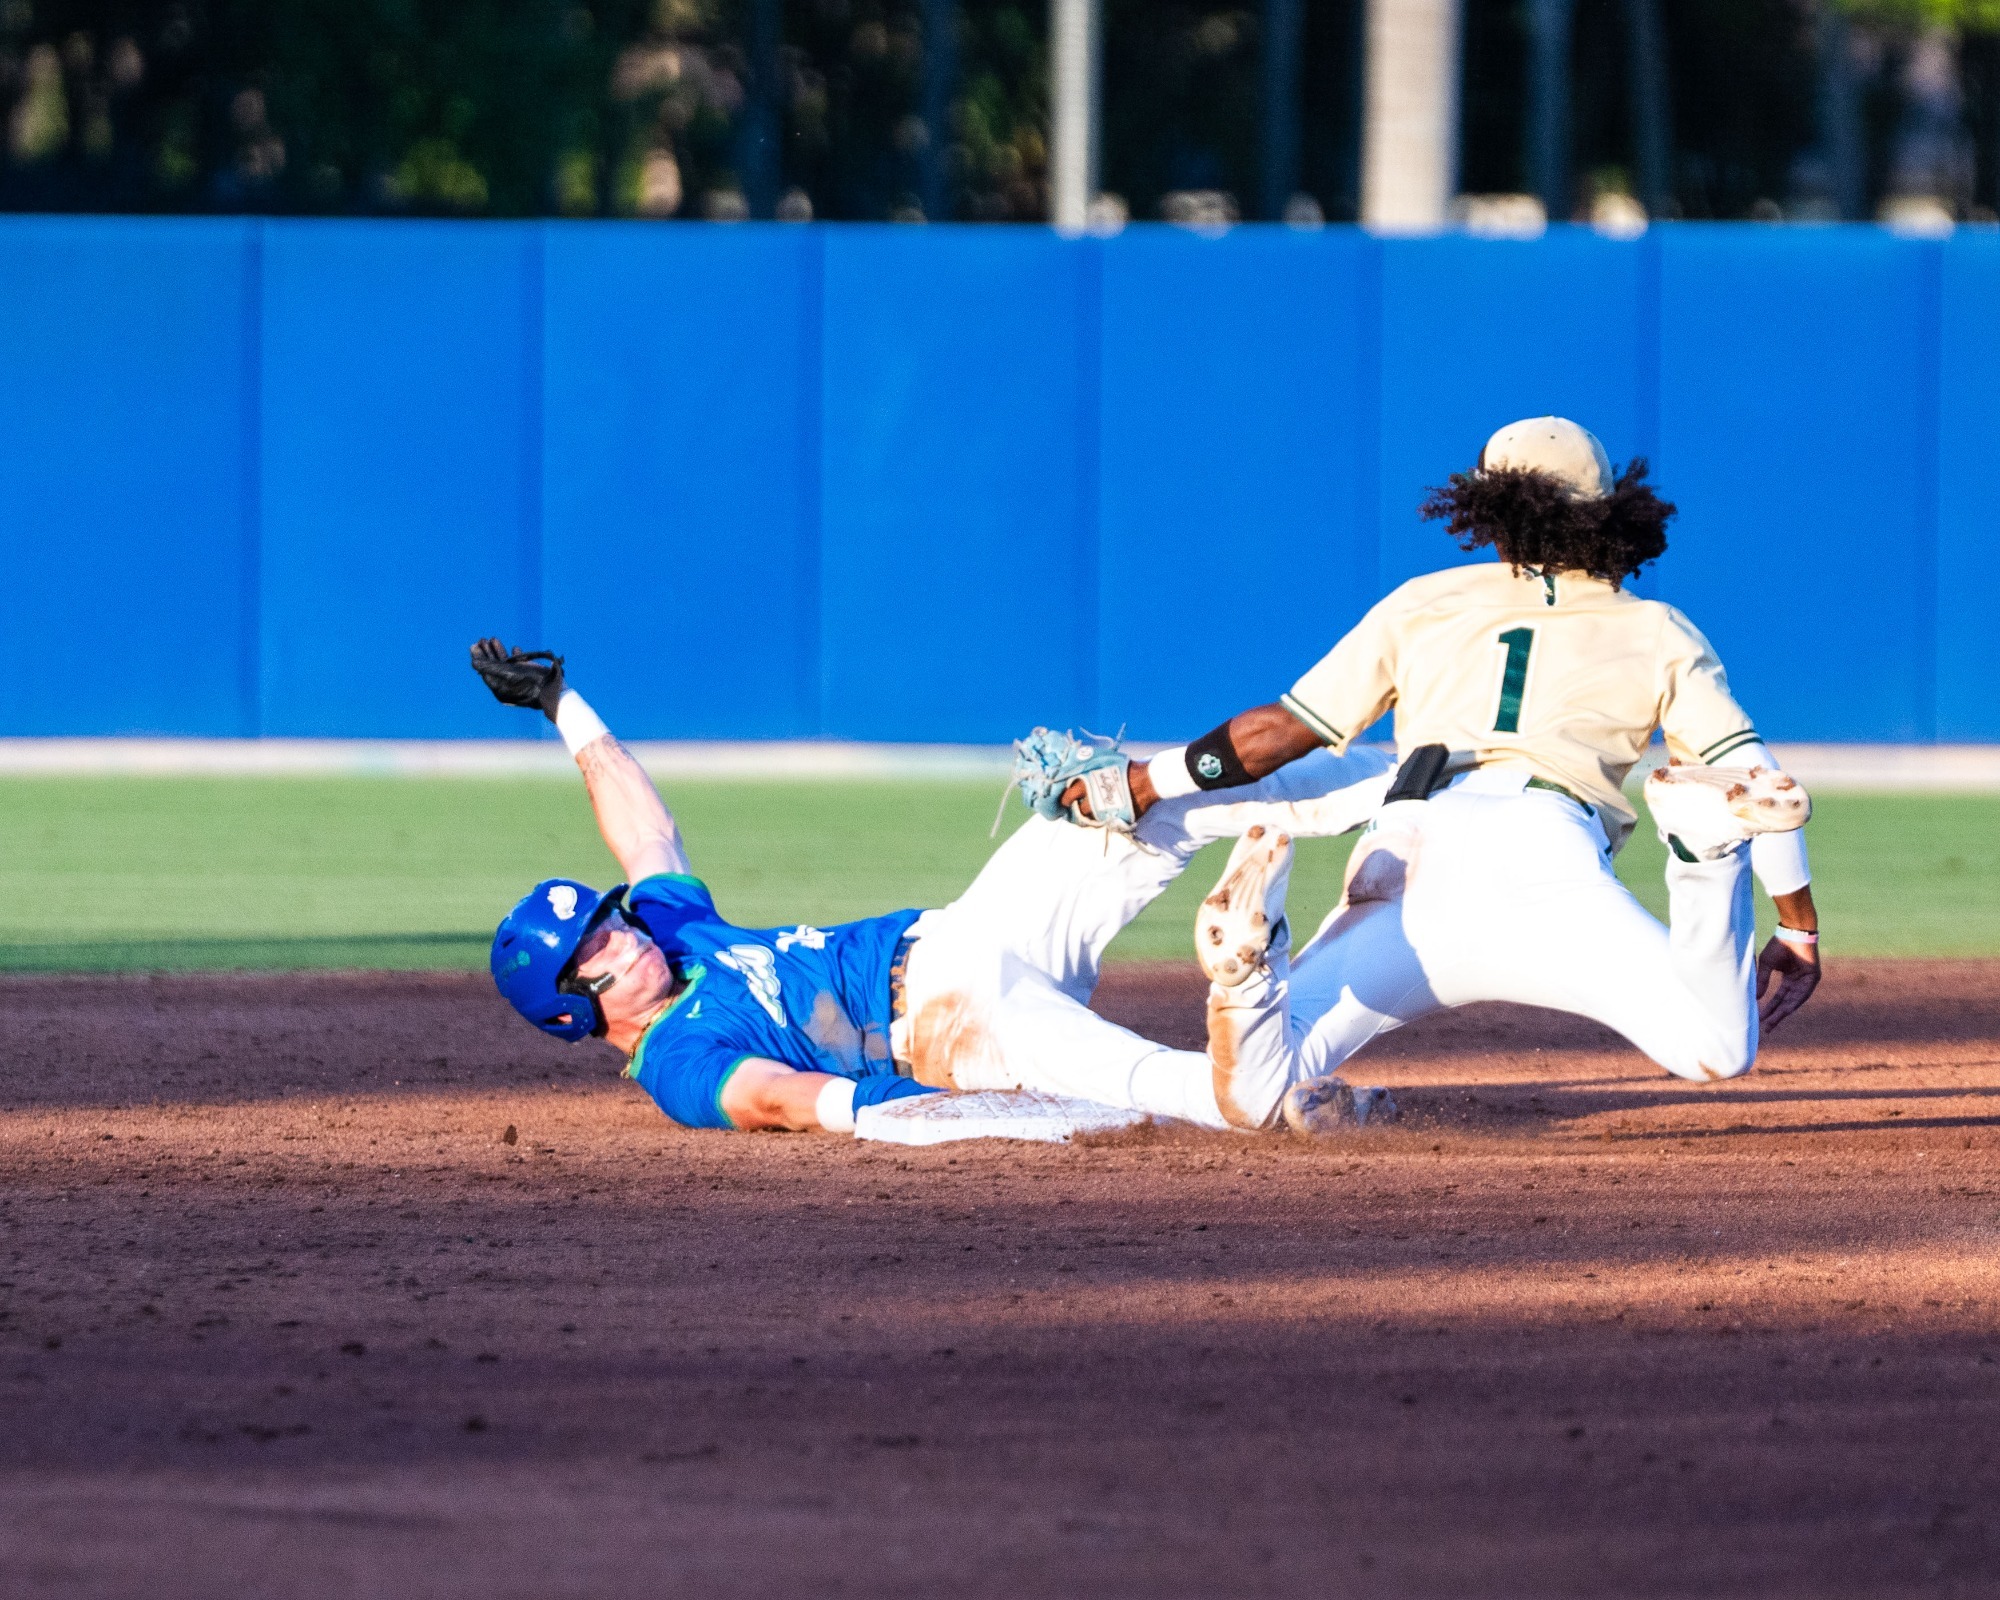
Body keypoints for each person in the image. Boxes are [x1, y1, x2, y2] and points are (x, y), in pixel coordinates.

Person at [1055, 417, 1820, 1132]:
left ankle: (1250, 977)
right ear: (1612, 509)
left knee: (1255, 1097)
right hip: (1544, 855)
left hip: (1410, 851)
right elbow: (1754, 774)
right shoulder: (1655, 630)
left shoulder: (1422, 604)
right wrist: (1796, 924)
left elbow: (1280, 734)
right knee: (1716, 1047)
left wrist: (1147, 780)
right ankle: (1704, 852)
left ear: (1485, 506)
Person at [468, 639, 1393, 1136]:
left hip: (962, 935)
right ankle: (1276, 1099)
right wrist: (966, 1110)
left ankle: (1405, 789)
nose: (619, 935)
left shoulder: (673, 935)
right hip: (951, 1029)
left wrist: (563, 706)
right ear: (569, 1012)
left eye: (604, 919)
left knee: (1122, 804)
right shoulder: (679, 1065)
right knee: (1126, 1076)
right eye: (592, 948)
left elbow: (644, 832)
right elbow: (788, 1101)